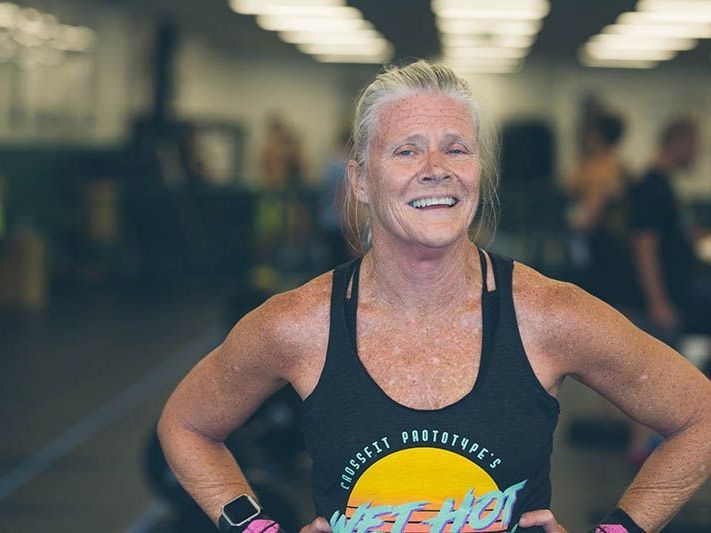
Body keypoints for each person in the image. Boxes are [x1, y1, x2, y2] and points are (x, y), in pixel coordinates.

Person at [157, 61, 711, 533]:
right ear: (360, 180)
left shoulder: (549, 314)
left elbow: (700, 414)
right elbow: (186, 426)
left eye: (456, 149)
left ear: (477, 171)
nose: (436, 170)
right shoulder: (299, 324)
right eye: (405, 151)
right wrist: (254, 526)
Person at [628, 118, 710, 344]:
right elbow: (644, 246)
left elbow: (676, 232)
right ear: (678, 143)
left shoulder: (666, 183)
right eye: (694, 146)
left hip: (679, 288)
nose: (696, 154)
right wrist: (658, 302)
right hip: (665, 296)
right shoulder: (650, 186)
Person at [567, 111, 637, 308]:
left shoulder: (605, 169)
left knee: (598, 303)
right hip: (602, 243)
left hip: (603, 247)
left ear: (596, 135)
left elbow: (588, 219)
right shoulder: (596, 164)